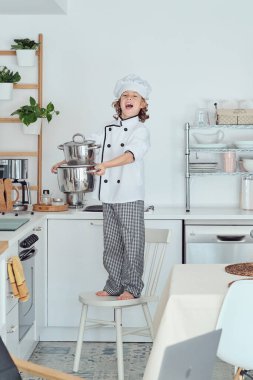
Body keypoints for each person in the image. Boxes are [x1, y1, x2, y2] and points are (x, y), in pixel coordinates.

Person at [52, 73, 151, 301]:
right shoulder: (107, 129)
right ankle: (114, 284)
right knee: (112, 244)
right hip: (109, 196)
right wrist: (66, 162)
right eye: (125, 94)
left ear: (142, 104)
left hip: (129, 195)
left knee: (132, 245)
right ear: (118, 103)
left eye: (135, 96)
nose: (129, 98)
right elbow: (87, 149)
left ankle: (132, 287)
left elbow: (130, 156)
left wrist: (105, 165)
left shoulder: (140, 131)